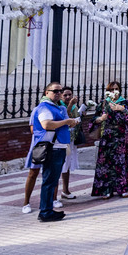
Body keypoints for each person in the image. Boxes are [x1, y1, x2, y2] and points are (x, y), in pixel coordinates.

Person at [30, 82, 78, 222]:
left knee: (52, 180)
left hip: (59, 146)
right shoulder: (44, 107)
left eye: (60, 91)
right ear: (46, 93)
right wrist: (66, 122)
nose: (58, 93)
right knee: (49, 180)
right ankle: (45, 211)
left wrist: (68, 121)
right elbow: (47, 124)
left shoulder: (58, 107)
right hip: (53, 147)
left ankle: (47, 209)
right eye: (55, 91)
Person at [91, 80, 128, 199]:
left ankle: (122, 188)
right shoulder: (104, 103)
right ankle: (106, 189)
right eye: (111, 89)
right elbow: (94, 118)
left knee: (120, 161)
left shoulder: (124, 103)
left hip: (121, 135)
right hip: (107, 135)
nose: (113, 92)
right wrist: (100, 118)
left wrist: (122, 109)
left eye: (116, 89)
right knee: (106, 162)